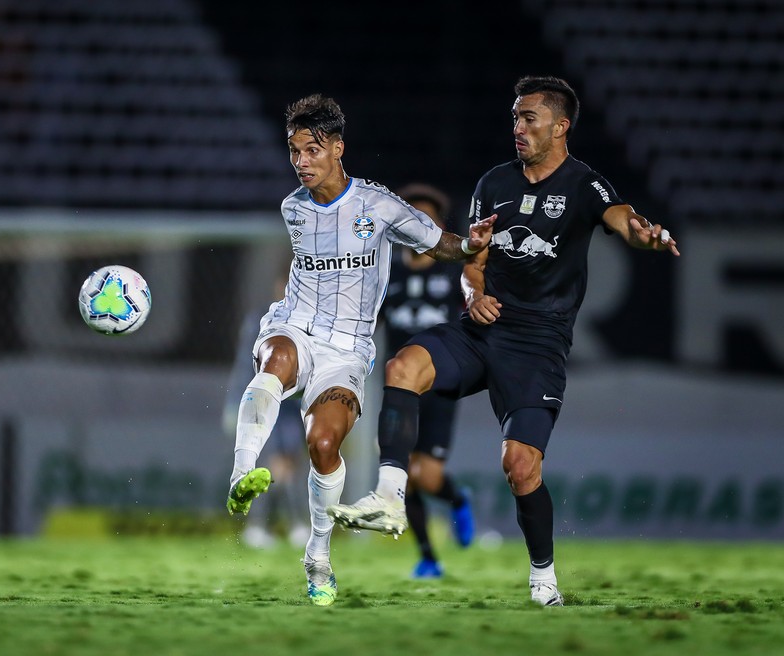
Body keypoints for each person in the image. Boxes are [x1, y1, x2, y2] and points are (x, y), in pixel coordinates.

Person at [327, 76, 679, 606]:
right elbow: (475, 262)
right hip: (481, 328)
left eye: (528, 118)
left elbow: (622, 220)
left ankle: (543, 577)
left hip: (538, 344)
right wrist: (472, 293)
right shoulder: (494, 183)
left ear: (560, 127)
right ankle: (390, 497)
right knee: (403, 367)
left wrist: (646, 234)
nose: (517, 127)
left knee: (519, 467)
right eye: (514, 117)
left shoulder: (584, 185)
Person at [225, 93, 496, 606]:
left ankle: (318, 555)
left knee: (323, 446)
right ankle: (241, 474)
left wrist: (467, 247)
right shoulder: (293, 208)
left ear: (338, 148)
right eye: (294, 151)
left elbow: (434, 241)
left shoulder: (378, 205)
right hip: (295, 325)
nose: (301, 162)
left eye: (311, 150)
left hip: (347, 350)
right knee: (275, 361)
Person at [384, 183, 475, 579]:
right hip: (401, 388)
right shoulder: (385, 271)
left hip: (439, 385)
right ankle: (428, 557)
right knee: (403, 474)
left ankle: (456, 499)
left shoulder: (454, 271)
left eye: (429, 220)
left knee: (427, 476)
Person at [223, 272, 310, 550]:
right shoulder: (260, 320)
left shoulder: (310, 321)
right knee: (271, 463)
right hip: (262, 401)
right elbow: (242, 365)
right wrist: (234, 402)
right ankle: (265, 526)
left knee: (288, 465)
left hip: (292, 405)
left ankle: (280, 526)